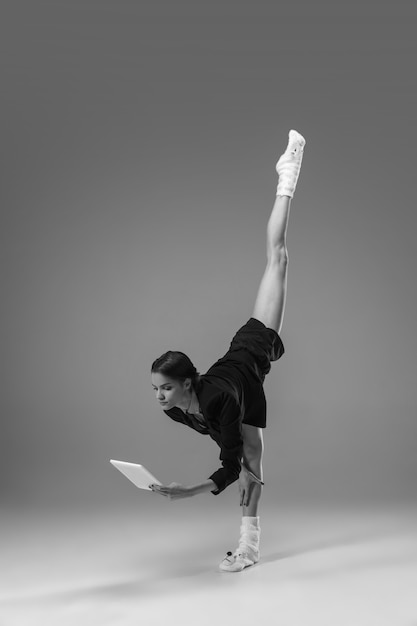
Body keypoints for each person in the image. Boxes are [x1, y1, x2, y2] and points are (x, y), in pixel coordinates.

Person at [150, 129, 306, 572]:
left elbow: (228, 455)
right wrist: (234, 470)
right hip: (245, 386)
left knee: (278, 258)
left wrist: (192, 490)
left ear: (185, 384)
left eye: (164, 389)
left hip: (250, 351)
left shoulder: (210, 400)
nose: (159, 397)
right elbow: (230, 451)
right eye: (156, 390)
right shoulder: (179, 409)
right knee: (251, 465)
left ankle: (287, 175)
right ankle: (250, 548)